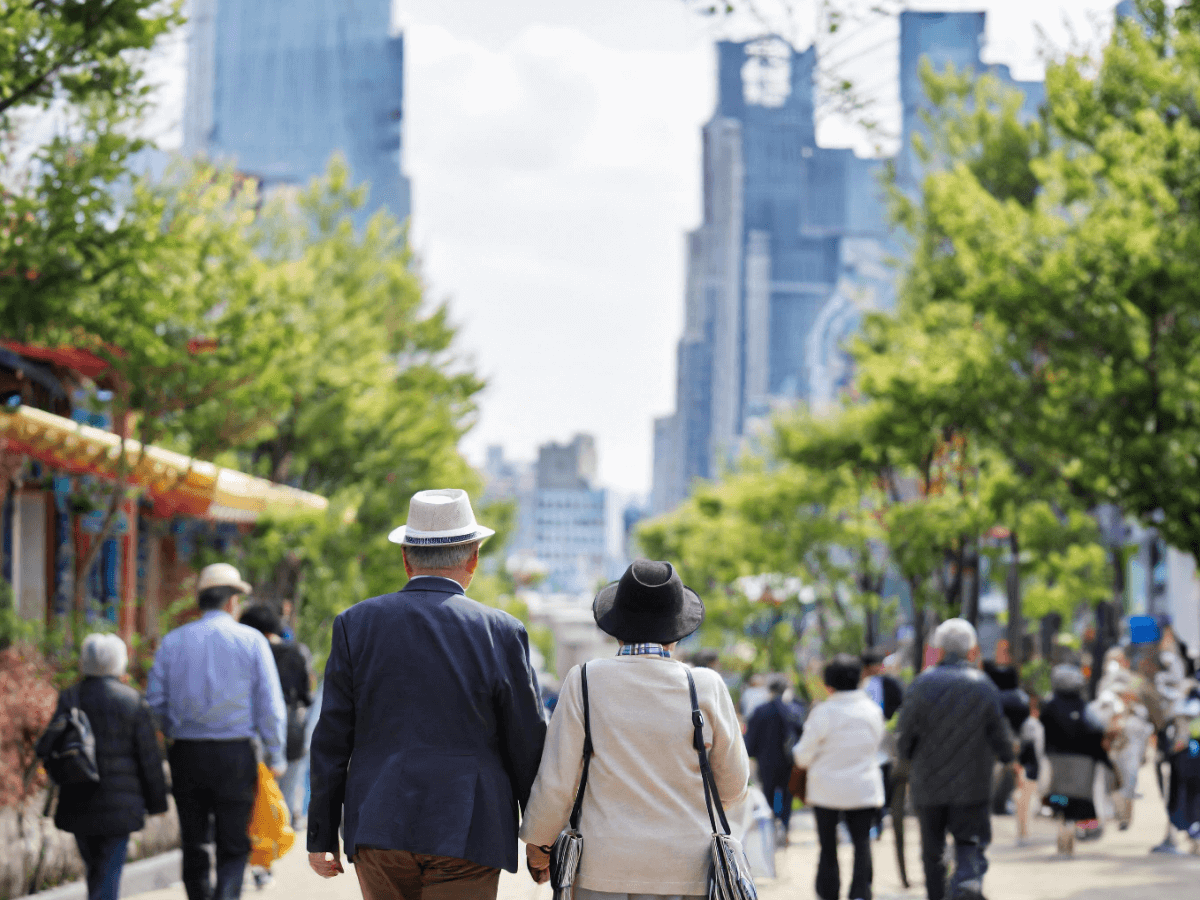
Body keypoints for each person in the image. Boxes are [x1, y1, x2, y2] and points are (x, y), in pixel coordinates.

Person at [307, 488, 547, 900]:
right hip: (470, 827)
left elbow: (331, 739)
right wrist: (541, 838)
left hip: (378, 822)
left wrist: (320, 833)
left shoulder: (355, 624)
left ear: (405, 558)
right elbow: (526, 741)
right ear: (473, 557)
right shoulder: (502, 632)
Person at [519, 558, 750, 896]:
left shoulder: (584, 680)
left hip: (601, 866)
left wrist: (539, 845)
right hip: (686, 867)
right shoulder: (705, 686)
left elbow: (558, 783)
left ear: (617, 623)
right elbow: (733, 784)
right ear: (677, 627)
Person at [147, 563, 287, 900]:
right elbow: (270, 704)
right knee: (234, 842)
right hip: (235, 754)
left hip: (187, 754)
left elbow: (155, 704)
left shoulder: (172, 642)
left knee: (194, 841)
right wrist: (276, 753)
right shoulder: (252, 641)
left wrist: (174, 731)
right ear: (231, 602)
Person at [40, 633, 169, 900]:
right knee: (108, 871)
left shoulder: (71, 697)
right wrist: (157, 802)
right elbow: (149, 757)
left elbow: (49, 745)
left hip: (77, 796)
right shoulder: (132, 700)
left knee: (95, 869)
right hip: (122, 806)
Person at [897, 619, 1014, 900]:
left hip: (928, 784)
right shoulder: (983, 686)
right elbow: (1000, 735)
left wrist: (904, 761)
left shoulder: (920, 684)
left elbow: (905, 734)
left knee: (932, 850)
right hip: (973, 784)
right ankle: (966, 886)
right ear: (972, 650)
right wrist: (1009, 759)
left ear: (938, 649)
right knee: (969, 844)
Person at [792, 654, 884, 900]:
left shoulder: (823, 713)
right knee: (862, 845)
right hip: (863, 789)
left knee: (828, 848)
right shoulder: (873, 711)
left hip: (826, 791)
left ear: (828, 683)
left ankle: (829, 892)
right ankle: (861, 893)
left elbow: (802, 756)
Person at [238, 604, 314, 828]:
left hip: (251, 731)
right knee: (284, 796)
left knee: (252, 799)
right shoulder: (295, 652)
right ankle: (277, 847)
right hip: (290, 732)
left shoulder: (249, 652)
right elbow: (305, 695)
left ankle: (258, 849)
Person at [1041, 664, 1113, 856]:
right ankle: (1070, 829)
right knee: (1078, 800)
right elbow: (1097, 731)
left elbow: (1043, 733)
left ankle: (1063, 827)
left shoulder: (1049, 706)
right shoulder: (1084, 708)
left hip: (1056, 761)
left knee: (1059, 798)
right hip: (1083, 764)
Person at [744, 675, 805, 844]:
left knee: (769, 795)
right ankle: (784, 828)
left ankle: (770, 830)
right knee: (787, 796)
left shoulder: (760, 710)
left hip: (767, 760)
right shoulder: (795, 709)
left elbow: (751, 738)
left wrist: (751, 754)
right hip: (789, 761)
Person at [861, 648, 903, 836]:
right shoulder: (857, 685)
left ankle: (879, 818)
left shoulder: (892, 685)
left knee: (883, 779)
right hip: (861, 743)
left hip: (883, 741)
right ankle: (871, 819)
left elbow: (900, 707)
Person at [1014, 694, 1046, 845]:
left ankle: (1023, 833)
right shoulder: (1032, 724)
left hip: (1030, 767)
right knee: (1024, 802)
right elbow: (1030, 748)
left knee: (1024, 802)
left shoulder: (1033, 724)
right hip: (1030, 768)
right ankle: (1022, 834)